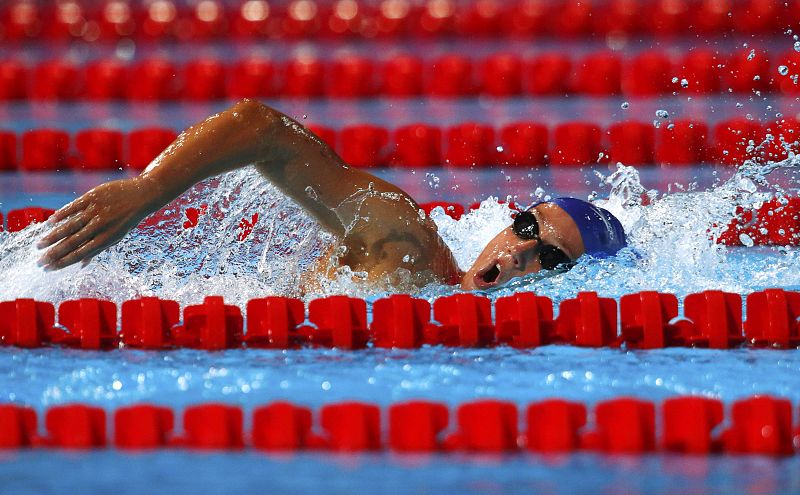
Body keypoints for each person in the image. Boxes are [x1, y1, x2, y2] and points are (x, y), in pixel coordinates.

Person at [36, 99, 626, 290]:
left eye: (549, 257)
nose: (522, 252)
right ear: (507, 221)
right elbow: (262, 127)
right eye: (526, 228)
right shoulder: (409, 246)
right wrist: (147, 189)